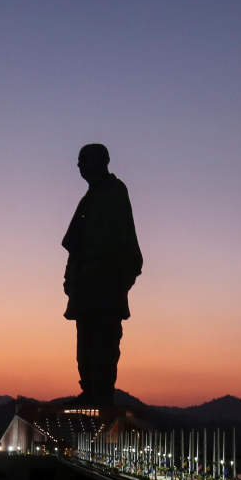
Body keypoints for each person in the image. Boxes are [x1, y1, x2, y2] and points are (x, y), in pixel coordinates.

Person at [61, 143, 143, 408]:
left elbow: (124, 239)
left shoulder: (114, 193)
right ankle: (89, 390)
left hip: (106, 281)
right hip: (86, 282)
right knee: (85, 341)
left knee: (105, 341)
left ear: (101, 161)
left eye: (83, 160)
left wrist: (119, 278)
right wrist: (70, 276)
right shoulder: (89, 198)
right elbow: (75, 244)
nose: (79, 166)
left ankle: (102, 393)